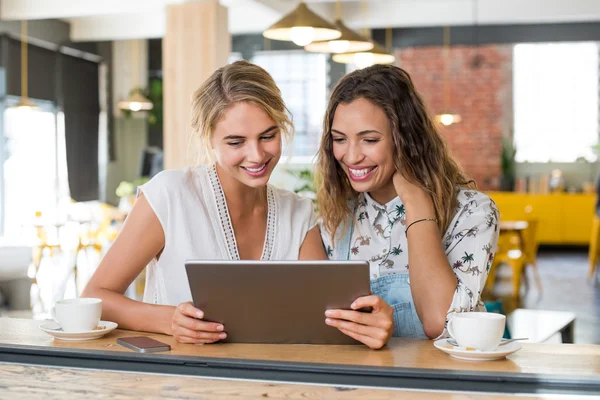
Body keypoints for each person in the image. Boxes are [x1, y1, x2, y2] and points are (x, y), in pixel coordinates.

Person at [82, 60, 327, 344]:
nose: (257, 155)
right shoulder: (169, 195)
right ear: (208, 138)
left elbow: (319, 316)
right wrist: (169, 320)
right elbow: (95, 296)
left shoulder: (298, 213)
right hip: (180, 381)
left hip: (271, 379)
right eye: (236, 142)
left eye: (268, 136)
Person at [317, 64, 499, 349]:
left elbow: (441, 322)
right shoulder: (334, 218)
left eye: (370, 140)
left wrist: (416, 201)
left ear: (406, 139)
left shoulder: (472, 212)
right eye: (339, 139)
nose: (350, 156)